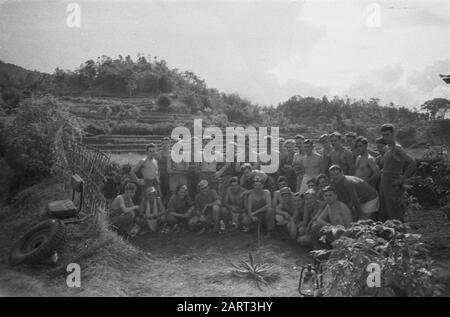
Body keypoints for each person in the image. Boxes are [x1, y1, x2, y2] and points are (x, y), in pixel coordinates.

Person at [378, 124, 416, 222]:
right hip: (384, 183)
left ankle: (400, 235)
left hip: (393, 184)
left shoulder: (397, 148)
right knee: (385, 211)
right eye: (383, 135)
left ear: (393, 134)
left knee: (395, 214)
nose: (385, 137)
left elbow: (412, 162)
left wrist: (402, 179)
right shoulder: (387, 148)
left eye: (387, 135)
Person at [156, 137, 171, 204]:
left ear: (169, 144)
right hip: (162, 176)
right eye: (163, 144)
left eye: (166, 143)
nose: (165, 145)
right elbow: (155, 166)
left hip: (171, 175)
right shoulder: (158, 154)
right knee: (161, 192)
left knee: (170, 191)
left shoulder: (173, 153)